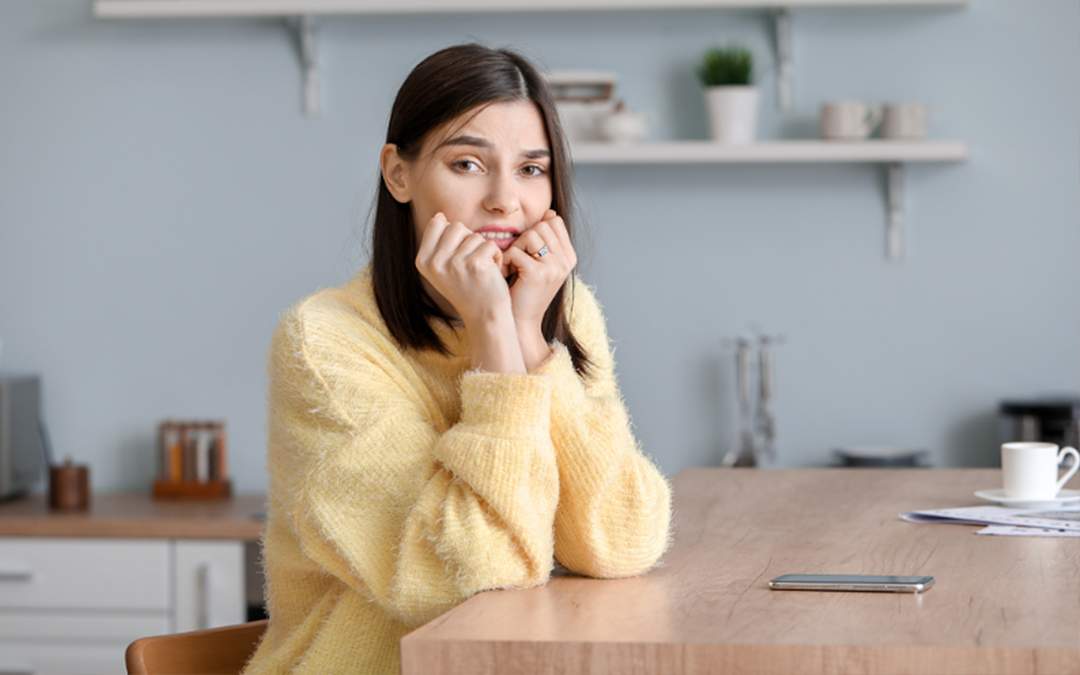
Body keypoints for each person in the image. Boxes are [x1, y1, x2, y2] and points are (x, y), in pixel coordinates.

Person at [242, 43, 673, 675]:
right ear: (399, 174)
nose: (505, 201)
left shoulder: (563, 313)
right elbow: (472, 577)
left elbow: (620, 540)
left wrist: (527, 338)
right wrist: (494, 331)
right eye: (468, 163)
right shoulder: (324, 342)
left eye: (531, 169)